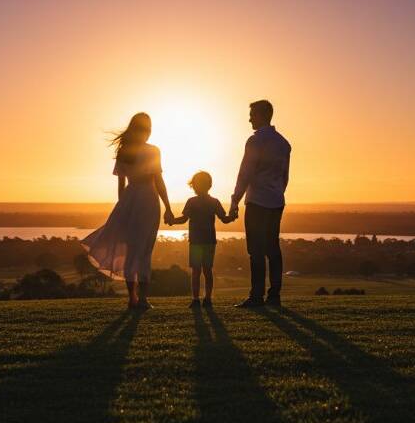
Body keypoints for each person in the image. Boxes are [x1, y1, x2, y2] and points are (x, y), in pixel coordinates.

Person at [82, 113, 174, 310]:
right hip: (148, 200)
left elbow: (121, 185)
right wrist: (168, 207)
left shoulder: (124, 151)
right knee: (144, 250)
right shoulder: (152, 151)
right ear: (145, 130)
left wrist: (123, 207)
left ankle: (133, 298)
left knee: (132, 250)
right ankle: (142, 299)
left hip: (129, 199)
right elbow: (158, 181)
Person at [228, 100, 291, 308]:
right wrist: (277, 193)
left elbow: (245, 172)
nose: (249, 119)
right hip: (276, 201)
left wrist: (235, 199)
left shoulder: (255, 141)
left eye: (252, 114)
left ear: (262, 115)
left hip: (257, 201)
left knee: (255, 250)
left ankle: (256, 296)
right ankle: (274, 296)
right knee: (273, 248)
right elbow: (285, 177)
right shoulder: (284, 143)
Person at [168, 171, 233, 308]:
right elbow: (225, 219)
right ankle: (207, 299)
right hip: (208, 241)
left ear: (195, 186)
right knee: (207, 270)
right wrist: (233, 215)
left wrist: (172, 221)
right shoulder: (214, 202)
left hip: (197, 242)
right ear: (209, 185)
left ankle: (196, 299)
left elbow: (183, 219)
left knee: (196, 271)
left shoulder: (192, 202)